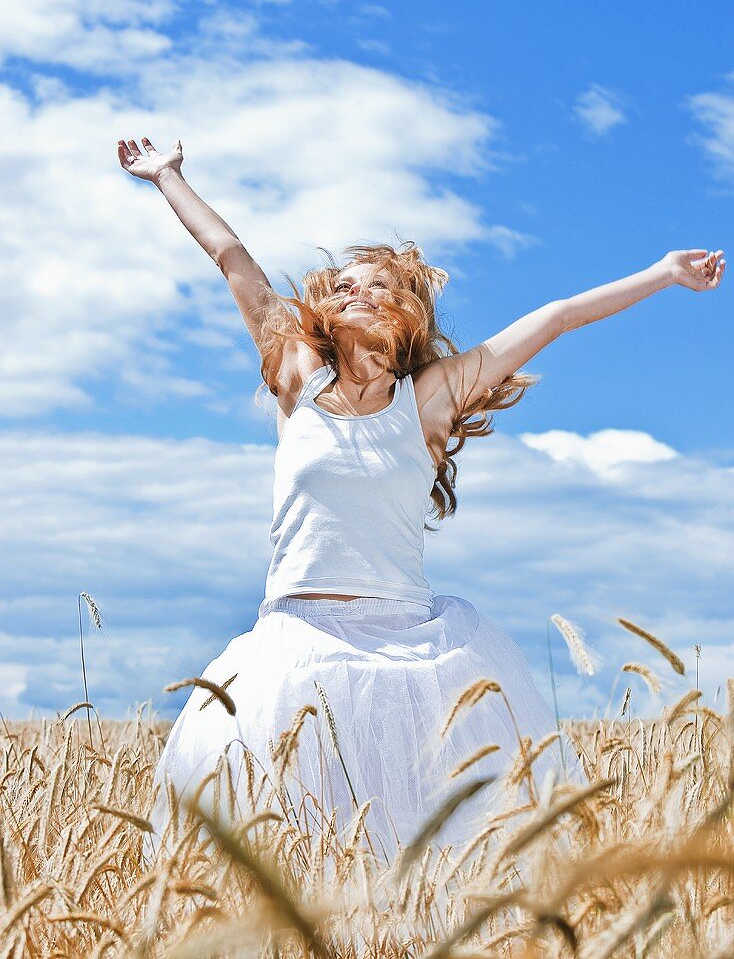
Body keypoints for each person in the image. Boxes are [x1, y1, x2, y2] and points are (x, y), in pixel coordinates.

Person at [117, 136, 725, 870]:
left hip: (412, 647)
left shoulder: (429, 400)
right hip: (295, 639)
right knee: (278, 844)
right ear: (321, 305)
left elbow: (558, 315)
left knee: (418, 851)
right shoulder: (296, 377)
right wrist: (168, 176)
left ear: (407, 310)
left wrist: (663, 273)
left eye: (377, 284)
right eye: (343, 284)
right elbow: (232, 257)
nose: (358, 292)